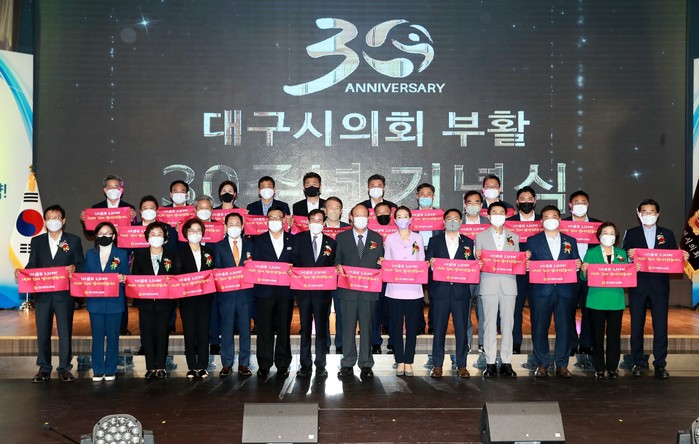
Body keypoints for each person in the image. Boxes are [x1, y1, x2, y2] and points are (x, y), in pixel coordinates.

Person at [623, 199, 687, 378]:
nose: (648, 215)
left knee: (660, 325)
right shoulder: (631, 233)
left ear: (658, 214)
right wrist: (629, 257)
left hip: (660, 286)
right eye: (644, 212)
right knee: (637, 325)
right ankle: (637, 362)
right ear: (639, 214)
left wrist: (682, 256)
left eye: (652, 212)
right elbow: (622, 258)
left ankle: (660, 364)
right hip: (638, 285)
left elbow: (674, 258)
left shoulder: (667, 233)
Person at [22, 205, 84, 383]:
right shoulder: (37, 241)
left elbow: (81, 264)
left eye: (56, 217)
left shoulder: (73, 240)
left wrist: (75, 268)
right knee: (42, 331)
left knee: (65, 331)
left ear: (63, 221)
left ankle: (64, 368)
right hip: (43, 295)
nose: (53, 221)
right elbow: (32, 264)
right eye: (49, 218)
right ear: (44, 221)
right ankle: (44, 368)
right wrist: (23, 273)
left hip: (64, 294)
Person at [526, 205, 581, 378]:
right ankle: (542, 364)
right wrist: (526, 265)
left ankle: (562, 364)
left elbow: (576, 261)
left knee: (564, 327)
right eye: (547, 217)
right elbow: (527, 265)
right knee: (539, 327)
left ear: (559, 219)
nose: (551, 219)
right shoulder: (532, 240)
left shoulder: (570, 240)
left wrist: (577, 264)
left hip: (564, 291)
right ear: (541, 221)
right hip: (541, 291)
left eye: (554, 216)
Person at [336, 204, 385, 379]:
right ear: (350, 217)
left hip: (368, 291)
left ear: (369, 218)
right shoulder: (341, 238)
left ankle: (366, 363)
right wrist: (337, 266)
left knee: (367, 328)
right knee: (347, 328)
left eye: (364, 215)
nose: (360, 219)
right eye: (357, 215)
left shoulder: (377, 238)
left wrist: (382, 263)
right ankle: (347, 363)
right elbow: (336, 259)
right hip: (348, 290)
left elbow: (382, 262)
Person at [426, 208, 475, 378]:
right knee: (439, 329)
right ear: (444, 221)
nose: (452, 221)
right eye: (449, 218)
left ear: (461, 222)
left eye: (455, 218)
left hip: (461, 292)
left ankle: (462, 365)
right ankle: (437, 364)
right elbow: (427, 262)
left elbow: (471, 264)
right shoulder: (434, 241)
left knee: (462, 330)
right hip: (440, 291)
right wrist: (431, 263)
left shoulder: (469, 242)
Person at [475, 202, 520, 377]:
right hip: (489, 284)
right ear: (488, 215)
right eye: (495, 212)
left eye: (501, 212)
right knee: (489, 324)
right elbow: (477, 261)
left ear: (506, 215)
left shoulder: (514, 236)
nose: (498, 215)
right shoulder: (480, 236)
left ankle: (507, 361)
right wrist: (477, 259)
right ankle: (490, 362)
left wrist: (524, 259)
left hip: (509, 284)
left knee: (508, 324)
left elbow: (517, 261)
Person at [291, 209, 337, 377]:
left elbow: (333, 264)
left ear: (324, 223)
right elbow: (293, 260)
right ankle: (305, 364)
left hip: (322, 293)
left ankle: (321, 364)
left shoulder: (331, 242)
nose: (316, 223)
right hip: (303, 292)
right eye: (313, 220)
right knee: (305, 328)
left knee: (322, 328)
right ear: (308, 222)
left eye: (319, 220)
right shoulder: (298, 239)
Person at [579, 222, 627, 379]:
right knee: (597, 336)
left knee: (614, 336)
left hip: (616, 300)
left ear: (616, 237)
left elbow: (626, 275)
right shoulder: (591, 253)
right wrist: (584, 270)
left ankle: (612, 367)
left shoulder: (621, 254)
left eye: (612, 233)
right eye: (605, 233)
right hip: (596, 299)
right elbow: (583, 277)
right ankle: (599, 368)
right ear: (599, 236)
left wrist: (634, 269)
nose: (608, 236)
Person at [252, 205, 295, 378]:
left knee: (284, 328)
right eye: (271, 218)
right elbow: (252, 264)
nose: (275, 220)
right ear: (267, 220)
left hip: (286, 292)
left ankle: (283, 363)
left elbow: (298, 262)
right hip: (264, 292)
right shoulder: (257, 240)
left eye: (278, 217)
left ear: (284, 220)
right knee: (264, 328)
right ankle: (264, 364)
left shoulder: (293, 240)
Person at [83, 222, 129, 381]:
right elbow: (85, 276)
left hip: (114, 302)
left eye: (108, 233)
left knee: (113, 338)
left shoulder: (121, 254)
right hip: (95, 302)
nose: (104, 236)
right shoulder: (90, 254)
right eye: (101, 233)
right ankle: (97, 369)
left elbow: (127, 276)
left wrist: (123, 278)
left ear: (114, 236)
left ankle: (110, 369)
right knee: (97, 338)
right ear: (96, 236)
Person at [382, 206, 425, 376]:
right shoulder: (390, 238)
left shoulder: (418, 238)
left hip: (414, 290)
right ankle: (399, 360)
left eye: (405, 216)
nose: (402, 219)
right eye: (399, 216)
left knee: (412, 328)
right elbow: (388, 260)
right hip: (395, 290)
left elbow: (421, 259)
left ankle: (409, 362)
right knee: (396, 327)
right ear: (394, 220)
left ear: (410, 219)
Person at [132, 222, 177, 379]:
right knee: (147, 334)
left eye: (159, 234)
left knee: (163, 334)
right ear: (147, 237)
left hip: (165, 302)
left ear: (165, 238)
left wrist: (171, 279)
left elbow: (177, 275)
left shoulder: (171, 255)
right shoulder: (140, 255)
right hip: (145, 302)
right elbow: (135, 277)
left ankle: (161, 367)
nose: (156, 237)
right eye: (153, 234)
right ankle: (150, 367)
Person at [213, 213, 254, 377]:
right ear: (225, 227)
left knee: (245, 329)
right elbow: (216, 268)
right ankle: (227, 364)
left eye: (237, 224)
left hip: (245, 294)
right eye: (231, 224)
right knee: (226, 329)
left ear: (243, 226)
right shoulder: (218, 246)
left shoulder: (251, 245)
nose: (234, 227)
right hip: (226, 295)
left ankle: (244, 363)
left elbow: (256, 268)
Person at [175, 218, 216, 379]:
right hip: (187, 299)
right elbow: (176, 275)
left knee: (204, 331)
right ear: (186, 233)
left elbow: (213, 272)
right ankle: (192, 366)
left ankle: (203, 365)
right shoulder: (180, 252)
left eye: (198, 230)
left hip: (205, 298)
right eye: (192, 231)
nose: (195, 233)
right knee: (190, 331)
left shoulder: (208, 252)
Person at [562, 190, 601, 356]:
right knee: (567, 310)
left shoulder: (598, 226)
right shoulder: (562, 225)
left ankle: (586, 344)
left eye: (583, 202)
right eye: (576, 202)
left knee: (589, 310)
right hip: (568, 274)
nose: (580, 205)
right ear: (570, 205)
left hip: (591, 274)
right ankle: (571, 344)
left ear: (588, 204)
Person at [507, 185, 541, 354]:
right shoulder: (509, 223)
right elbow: (505, 247)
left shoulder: (543, 221)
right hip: (516, 273)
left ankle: (538, 346)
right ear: (517, 201)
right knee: (515, 309)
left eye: (529, 199)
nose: (526, 202)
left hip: (539, 273)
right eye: (522, 199)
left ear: (534, 201)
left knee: (538, 311)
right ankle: (515, 345)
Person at [462, 190, 490, 353]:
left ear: (481, 205)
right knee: (463, 310)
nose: (473, 205)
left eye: (477, 202)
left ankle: (483, 343)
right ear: (465, 205)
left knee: (484, 310)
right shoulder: (458, 223)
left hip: (484, 273)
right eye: (470, 202)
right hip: (464, 274)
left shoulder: (488, 223)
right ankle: (466, 342)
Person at [322, 196, 349, 355]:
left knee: (343, 313)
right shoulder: (317, 227)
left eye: (337, 208)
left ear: (341, 212)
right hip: (322, 278)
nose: (333, 211)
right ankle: (324, 344)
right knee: (322, 312)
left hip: (342, 278)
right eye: (330, 208)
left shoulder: (348, 229)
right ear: (325, 210)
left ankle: (341, 344)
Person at [371, 201, 393, 354]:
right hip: (376, 276)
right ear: (374, 215)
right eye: (379, 212)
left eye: (386, 212)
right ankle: (375, 342)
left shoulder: (398, 232)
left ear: (391, 214)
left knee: (393, 311)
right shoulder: (370, 233)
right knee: (375, 311)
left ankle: (394, 342)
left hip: (393, 277)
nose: (383, 215)